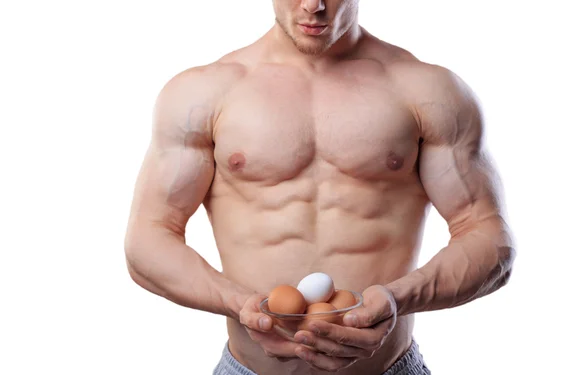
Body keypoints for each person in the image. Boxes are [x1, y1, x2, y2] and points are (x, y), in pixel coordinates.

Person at [123, 0, 516, 374]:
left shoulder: (427, 91)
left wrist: (399, 299)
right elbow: (147, 240)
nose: (314, 5)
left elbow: (489, 238)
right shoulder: (202, 94)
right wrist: (240, 305)